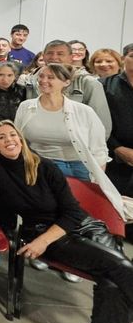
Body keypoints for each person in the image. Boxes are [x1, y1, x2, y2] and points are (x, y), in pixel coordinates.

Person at [0, 120, 133, 323]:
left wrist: (42, 241)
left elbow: (73, 212)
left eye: (12, 135)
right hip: (48, 233)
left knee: (113, 280)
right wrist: (17, 235)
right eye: (2, 137)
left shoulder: (44, 166)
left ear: (21, 139)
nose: (9, 140)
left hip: (84, 224)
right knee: (118, 271)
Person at [15, 63, 127, 220]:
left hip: (79, 166)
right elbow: (18, 140)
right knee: (51, 215)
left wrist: (97, 178)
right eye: (41, 76)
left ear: (66, 82)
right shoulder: (25, 107)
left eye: (50, 77)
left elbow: (99, 148)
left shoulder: (83, 111)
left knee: (81, 215)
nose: (43, 80)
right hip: (43, 167)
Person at [20, 40, 112, 139]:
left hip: (74, 146)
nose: (54, 57)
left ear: (71, 57)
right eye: (50, 53)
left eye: (60, 54)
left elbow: (101, 123)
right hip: (34, 145)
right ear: (44, 56)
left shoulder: (87, 82)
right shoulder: (30, 80)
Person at [103, 43, 133, 197]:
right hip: (115, 159)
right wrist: (118, 148)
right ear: (123, 59)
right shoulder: (104, 85)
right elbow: (97, 123)